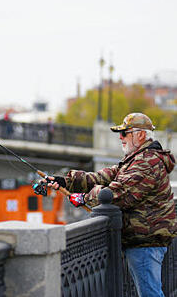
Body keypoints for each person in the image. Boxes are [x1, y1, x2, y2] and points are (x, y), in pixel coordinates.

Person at [43, 112, 176, 297]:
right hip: (143, 239)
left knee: (150, 293)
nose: (120, 138)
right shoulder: (137, 158)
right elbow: (103, 176)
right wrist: (66, 181)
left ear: (141, 135)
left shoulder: (146, 162)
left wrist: (83, 199)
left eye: (125, 133)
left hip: (145, 241)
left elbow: (117, 195)